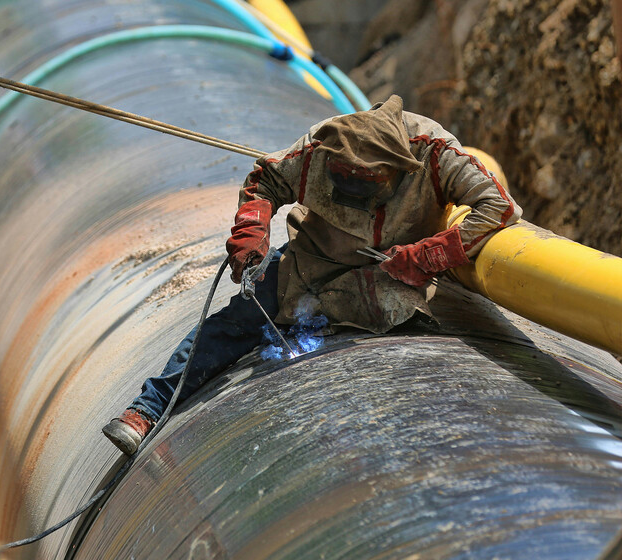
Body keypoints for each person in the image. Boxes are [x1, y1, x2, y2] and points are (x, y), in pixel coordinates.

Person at [102, 95, 521, 455]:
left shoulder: (433, 152)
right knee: (234, 324)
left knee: (409, 342)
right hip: (310, 262)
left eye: (366, 183)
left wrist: (428, 255)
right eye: (344, 178)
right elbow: (264, 181)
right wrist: (251, 233)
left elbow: (499, 207)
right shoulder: (322, 144)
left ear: (398, 169)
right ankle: (148, 408)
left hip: (386, 276)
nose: (353, 189)